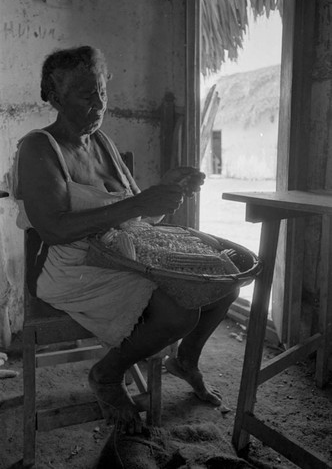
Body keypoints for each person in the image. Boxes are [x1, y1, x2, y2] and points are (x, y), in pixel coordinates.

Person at [14, 46, 239, 433]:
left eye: (102, 90)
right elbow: (54, 229)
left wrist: (165, 192)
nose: (99, 103)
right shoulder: (38, 147)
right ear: (55, 97)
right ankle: (107, 374)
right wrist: (139, 202)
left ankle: (185, 360)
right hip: (71, 266)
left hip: (121, 251)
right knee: (180, 311)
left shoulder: (103, 142)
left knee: (223, 279)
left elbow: (138, 214)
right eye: (87, 95)